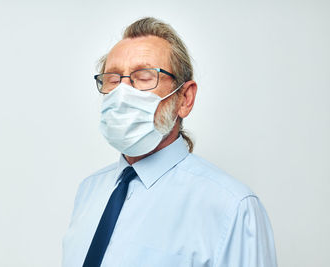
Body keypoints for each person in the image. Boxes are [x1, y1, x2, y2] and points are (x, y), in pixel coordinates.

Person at [62, 17, 277, 267]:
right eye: (112, 79)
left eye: (143, 77)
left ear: (185, 98)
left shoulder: (232, 207)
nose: (122, 93)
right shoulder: (89, 190)